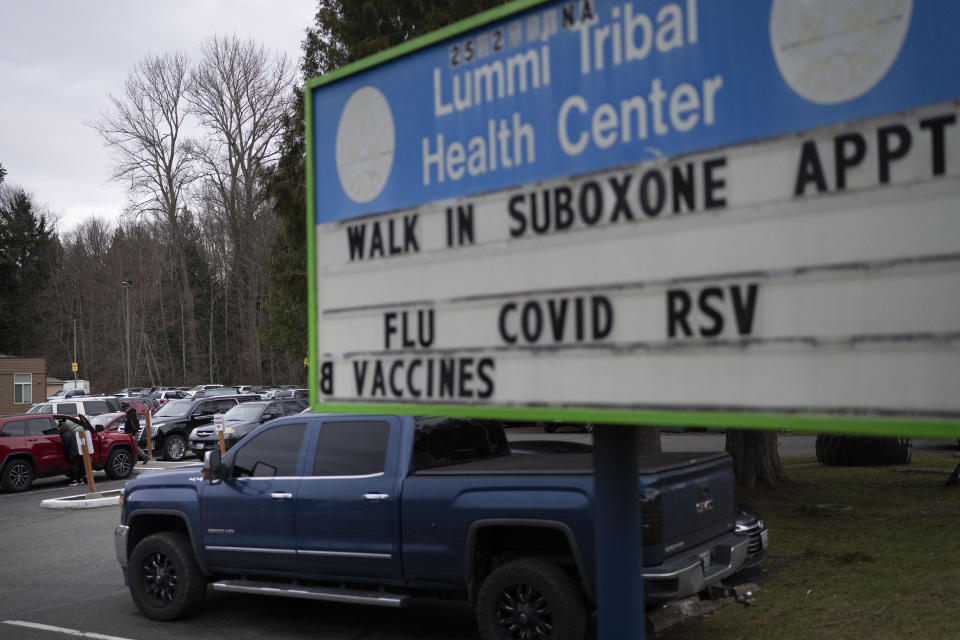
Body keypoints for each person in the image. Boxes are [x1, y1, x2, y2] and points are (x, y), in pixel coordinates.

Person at [59, 419, 86, 486]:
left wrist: (64, 453)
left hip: (74, 452)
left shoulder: (66, 435)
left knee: (76, 467)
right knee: (81, 466)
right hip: (80, 451)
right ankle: (81, 480)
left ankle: (75, 481)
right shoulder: (73, 432)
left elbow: (66, 445)